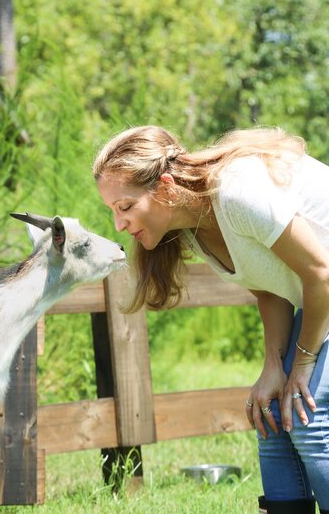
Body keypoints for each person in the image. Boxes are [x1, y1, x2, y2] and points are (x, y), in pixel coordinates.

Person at [93, 125, 329, 514]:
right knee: (271, 414)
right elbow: (268, 286)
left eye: (125, 206)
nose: (119, 224)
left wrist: (302, 363)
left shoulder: (237, 192)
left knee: (309, 417)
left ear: (166, 187)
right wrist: (273, 366)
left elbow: (320, 272)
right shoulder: (192, 229)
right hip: (319, 297)